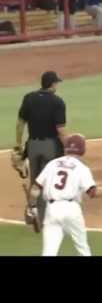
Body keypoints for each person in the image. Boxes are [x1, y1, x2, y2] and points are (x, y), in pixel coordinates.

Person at [27, 134, 102, 256]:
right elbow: (93, 192)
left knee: (48, 253)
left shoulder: (52, 164)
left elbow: (35, 189)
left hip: (52, 210)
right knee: (83, 249)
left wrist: (33, 207)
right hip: (72, 211)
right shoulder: (81, 168)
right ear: (82, 150)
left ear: (66, 148)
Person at [15, 71, 68, 230]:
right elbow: (60, 129)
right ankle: (45, 218)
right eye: (56, 83)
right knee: (48, 181)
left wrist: (18, 146)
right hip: (50, 146)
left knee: (35, 181)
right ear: (52, 84)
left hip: (32, 145)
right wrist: (69, 147)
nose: (57, 85)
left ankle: (32, 213)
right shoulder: (58, 101)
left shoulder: (29, 98)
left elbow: (20, 124)